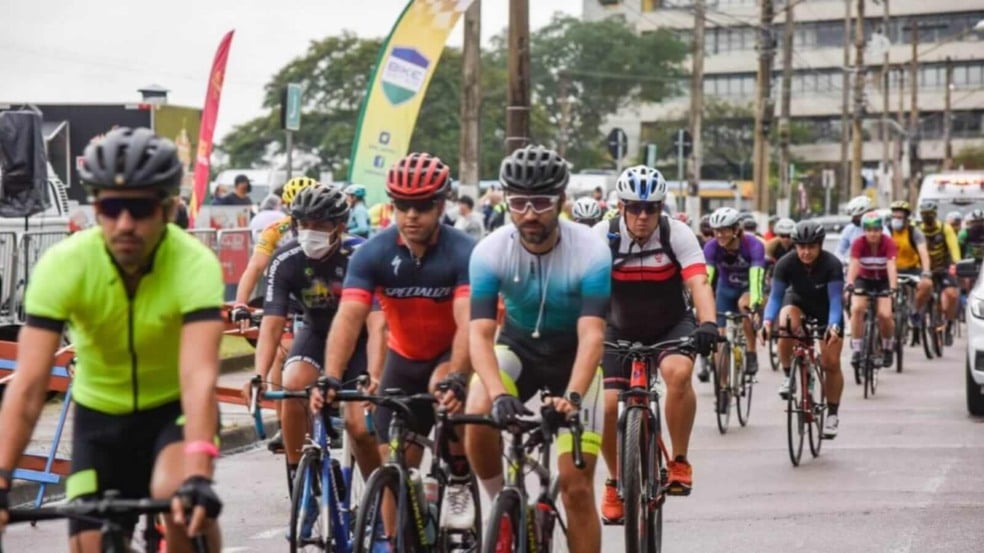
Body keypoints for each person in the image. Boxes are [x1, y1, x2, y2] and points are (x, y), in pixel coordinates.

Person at [0, 128, 223, 551]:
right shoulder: (65, 265)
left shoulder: (194, 265)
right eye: (110, 207)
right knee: (88, 543)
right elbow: (28, 384)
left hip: (173, 411)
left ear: (168, 208)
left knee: (178, 500)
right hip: (99, 421)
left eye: (138, 209)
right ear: (95, 208)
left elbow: (198, 377)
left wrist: (198, 475)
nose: (124, 224)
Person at [311, 152, 477, 545]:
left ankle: (457, 478)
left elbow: (469, 321)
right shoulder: (374, 252)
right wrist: (331, 376)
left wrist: (457, 376)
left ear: (440, 204)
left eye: (421, 206)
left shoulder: (463, 251)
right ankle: (399, 536)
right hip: (402, 361)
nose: (411, 216)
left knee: (443, 390)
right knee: (396, 469)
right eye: (402, 206)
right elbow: (350, 317)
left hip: (447, 354)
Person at [466, 146, 609, 553]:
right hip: (518, 350)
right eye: (518, 203)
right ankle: (506, 507)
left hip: (572, 359)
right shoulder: (490, 251)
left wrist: (574, 397)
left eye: (542, 202)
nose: (530, 214)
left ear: (561, 200)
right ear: (506, 201)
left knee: (577, 489)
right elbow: (479, 335)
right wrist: (498, 396)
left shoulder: (591, 251)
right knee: (476, 412)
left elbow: (593, 335)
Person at [241, 185, 381, 512]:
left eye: (319, 226)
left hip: (359, 342)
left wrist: (374, 374)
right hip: (316, 334)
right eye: (303, 224)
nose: (309, 233)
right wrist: (259, 375)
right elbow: (273, 324)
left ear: (340, 227)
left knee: (358, 426)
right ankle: (299, 478)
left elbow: (378, 326)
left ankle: (379, 496)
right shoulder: (285, 259)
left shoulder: (362, 256)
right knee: (291, 387)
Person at [592, 165, 718, 523]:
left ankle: (678, 460)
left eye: (651, 208)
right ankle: (615, 482)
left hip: (669, 324)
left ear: (661, 208)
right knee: (606, 405)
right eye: (634, 207)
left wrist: (708, 323)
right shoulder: (604, 235)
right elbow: (585, 291)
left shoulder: (675, 233)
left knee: (678, 373)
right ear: (620, 206)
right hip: (618, 326)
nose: (643, 216)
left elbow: (698, 283)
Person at [230, 176, 320, 451]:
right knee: (282, 354)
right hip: (288, 293)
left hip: (321, 293)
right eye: (296, 211)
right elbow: (255, 267)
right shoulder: (276, 230)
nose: (304, 220)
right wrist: (240, 303)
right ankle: (284, 424)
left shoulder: (328, 225)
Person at [763, 221, 844, 438]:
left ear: (820, 246)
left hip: (826, 308)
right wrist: (767, 322)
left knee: (831, 363)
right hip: (798, 301)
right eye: (801, 247)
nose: (806, 252)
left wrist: (834, 326)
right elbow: (775, 297)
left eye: (811, 247)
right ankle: (789, 374)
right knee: (785, 323)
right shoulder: (785, 263)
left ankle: (833, 414)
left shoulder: (832, 264)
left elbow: (836, 300)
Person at [704, 207, 766, 378]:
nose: (719, 235)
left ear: (736, 230)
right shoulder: (711, 247)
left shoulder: (753, 245)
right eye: (716, 231)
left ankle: (751, 352)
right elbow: (706, 278)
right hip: (725, 289)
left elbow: (756, 277)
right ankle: (723, 388)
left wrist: (755, 304)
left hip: (748, 288)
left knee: (744, 306)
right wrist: (699, 303)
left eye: (724, 230)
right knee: (720, 338)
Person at [846, 211, 899, 369]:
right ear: (864, 231)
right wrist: (849, 283)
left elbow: (891, 265)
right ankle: (857, 349)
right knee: (857, 309)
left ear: (881, 230)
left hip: (883, 281)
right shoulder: (858, 243)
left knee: (885, 315)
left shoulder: (889, 243)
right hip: (864, 280)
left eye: (876, 230)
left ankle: (888, 347)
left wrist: (893, 288)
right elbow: (854, 264)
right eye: (869, 230)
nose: (873, 234)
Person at [916, 199, 962, 344]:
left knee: (952, 295)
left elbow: (954, 248)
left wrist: (956, 263)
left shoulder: (945, 228)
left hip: (943, 267)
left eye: (929, 214)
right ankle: (915, 318)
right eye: (924, 214)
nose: (927, 217)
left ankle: (948, 325)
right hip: (923, 269)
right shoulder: (918, 230)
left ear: (935, 214)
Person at [887, 201, 932, 328]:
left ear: (907, 219)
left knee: (927, 285)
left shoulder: (914, 232)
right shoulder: (886, 231)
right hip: (891, 270)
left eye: (900, 218)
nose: (896, 220)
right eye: (894, 217)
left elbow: (923, 253)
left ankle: (915, 311)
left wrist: (926, 271)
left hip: (912, 269)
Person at [836, 195, 874, 261]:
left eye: (857, 216)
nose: (853, 219)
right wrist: (844, 261)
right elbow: (839, 252)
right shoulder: (849, 229)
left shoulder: (881, 229)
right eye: (853, 216)